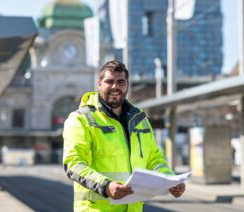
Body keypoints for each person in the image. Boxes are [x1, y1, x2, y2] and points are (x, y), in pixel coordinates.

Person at [63, 60, 185, 211]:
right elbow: (74, 164)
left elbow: (154, 159)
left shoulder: (140, 120)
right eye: (109, 81)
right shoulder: (81, 119)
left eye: (120, 82)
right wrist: (106, 186)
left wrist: (170, 180)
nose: (115, 86)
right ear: (99, 84)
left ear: (127, 85)